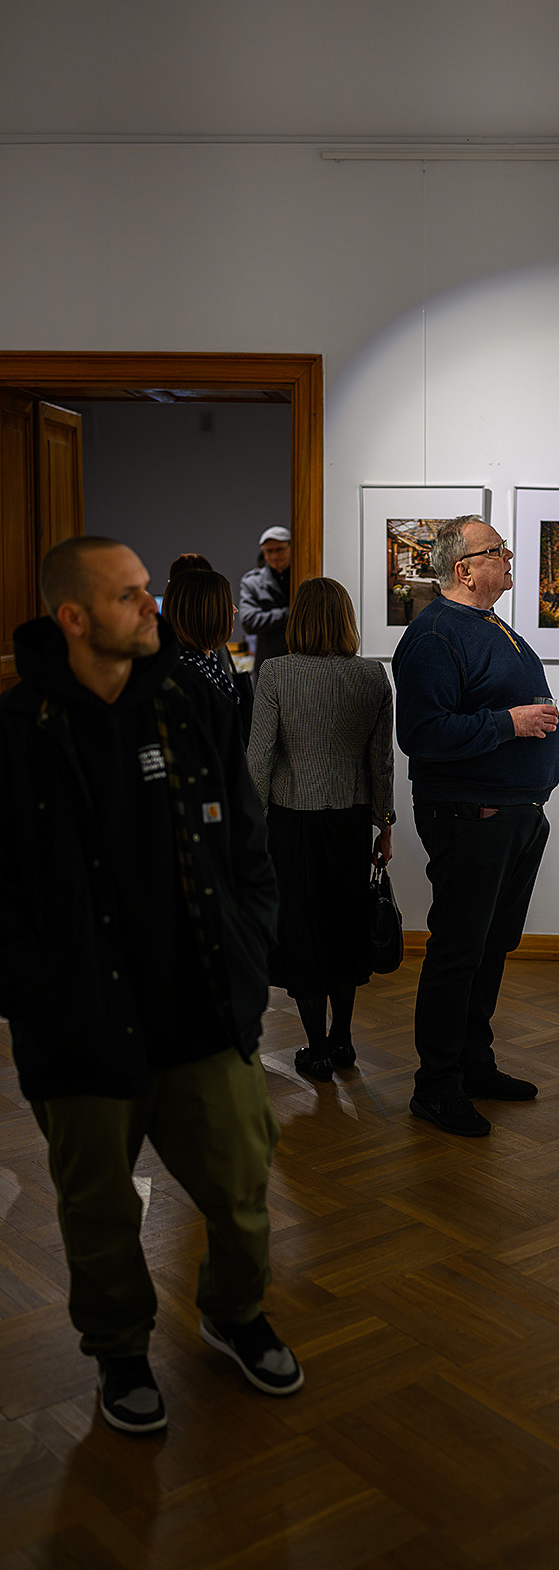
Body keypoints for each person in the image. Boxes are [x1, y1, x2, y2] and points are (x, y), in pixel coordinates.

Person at [0, 535, 302, 1436]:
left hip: (200, 1006)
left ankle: (234, 1313)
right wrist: (38, 994)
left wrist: (249, 953)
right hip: (80, 1027)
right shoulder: (16, 730)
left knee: (242, 1187)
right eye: (129, 595)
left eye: (147, 590)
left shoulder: (188, 701)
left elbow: (247, 841)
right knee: (98, 1213)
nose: (151, 607)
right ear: (74, 617)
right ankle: (120, 1351)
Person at [392, 517, 559, 1138]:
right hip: (472, 815)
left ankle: (472, 1066)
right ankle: (436, 1087)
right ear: (464, 569)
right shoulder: (435, 635)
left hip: (513, 813)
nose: (509, 556)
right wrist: (510, 724)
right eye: (497, 550)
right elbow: (422, 734)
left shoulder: (486, 623)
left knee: (490, 946)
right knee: (459, 949)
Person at [247, 577, 395, 1083]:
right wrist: (385, 825)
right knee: (344, 921)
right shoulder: (372, 675)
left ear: (299, 621)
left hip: (292, 822)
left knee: (302, 929)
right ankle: (343, 1039)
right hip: (350, 820)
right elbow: (381, 762)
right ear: (346, 620)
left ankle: (315, 1049)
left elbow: (259, 758)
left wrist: (251, 826)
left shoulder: (276, 672)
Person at [161, 567, 251, 741]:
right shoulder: (189, 675)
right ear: (206, 613)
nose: (234, 610)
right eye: (226, 603)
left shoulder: (207, 659)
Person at [238, 526, 291, 679]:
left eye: (280, 549)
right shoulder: (252, 582)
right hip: (268, 665)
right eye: (269, 551)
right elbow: (249, 621)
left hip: (300, 664)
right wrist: (288, 613)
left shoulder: (304, 576)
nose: (274, 556)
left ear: (291, 548)